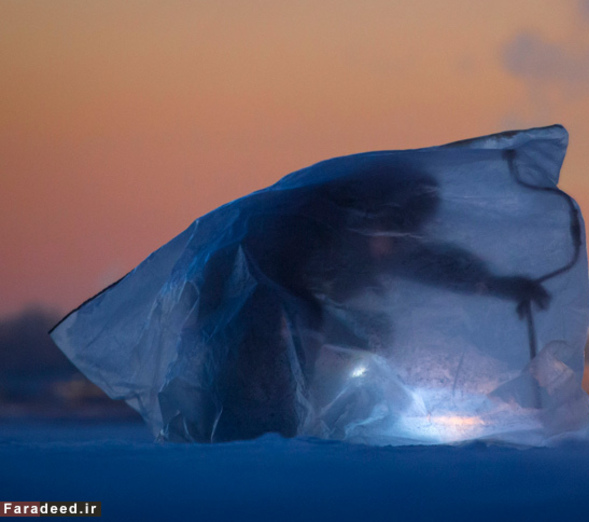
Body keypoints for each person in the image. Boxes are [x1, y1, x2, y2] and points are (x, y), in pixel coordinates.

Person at [159, 158, 550, 442]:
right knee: (258, 385)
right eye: (392, 230)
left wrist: (499, 285)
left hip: (279, 311)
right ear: (375, 212)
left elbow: (432, 262)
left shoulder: (374, 235)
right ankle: (249, 445)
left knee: (368, 335)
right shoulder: (302, 222)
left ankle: (297, 428)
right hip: (234, 304)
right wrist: (303, 325)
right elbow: (270, 289)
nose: (390, 248)